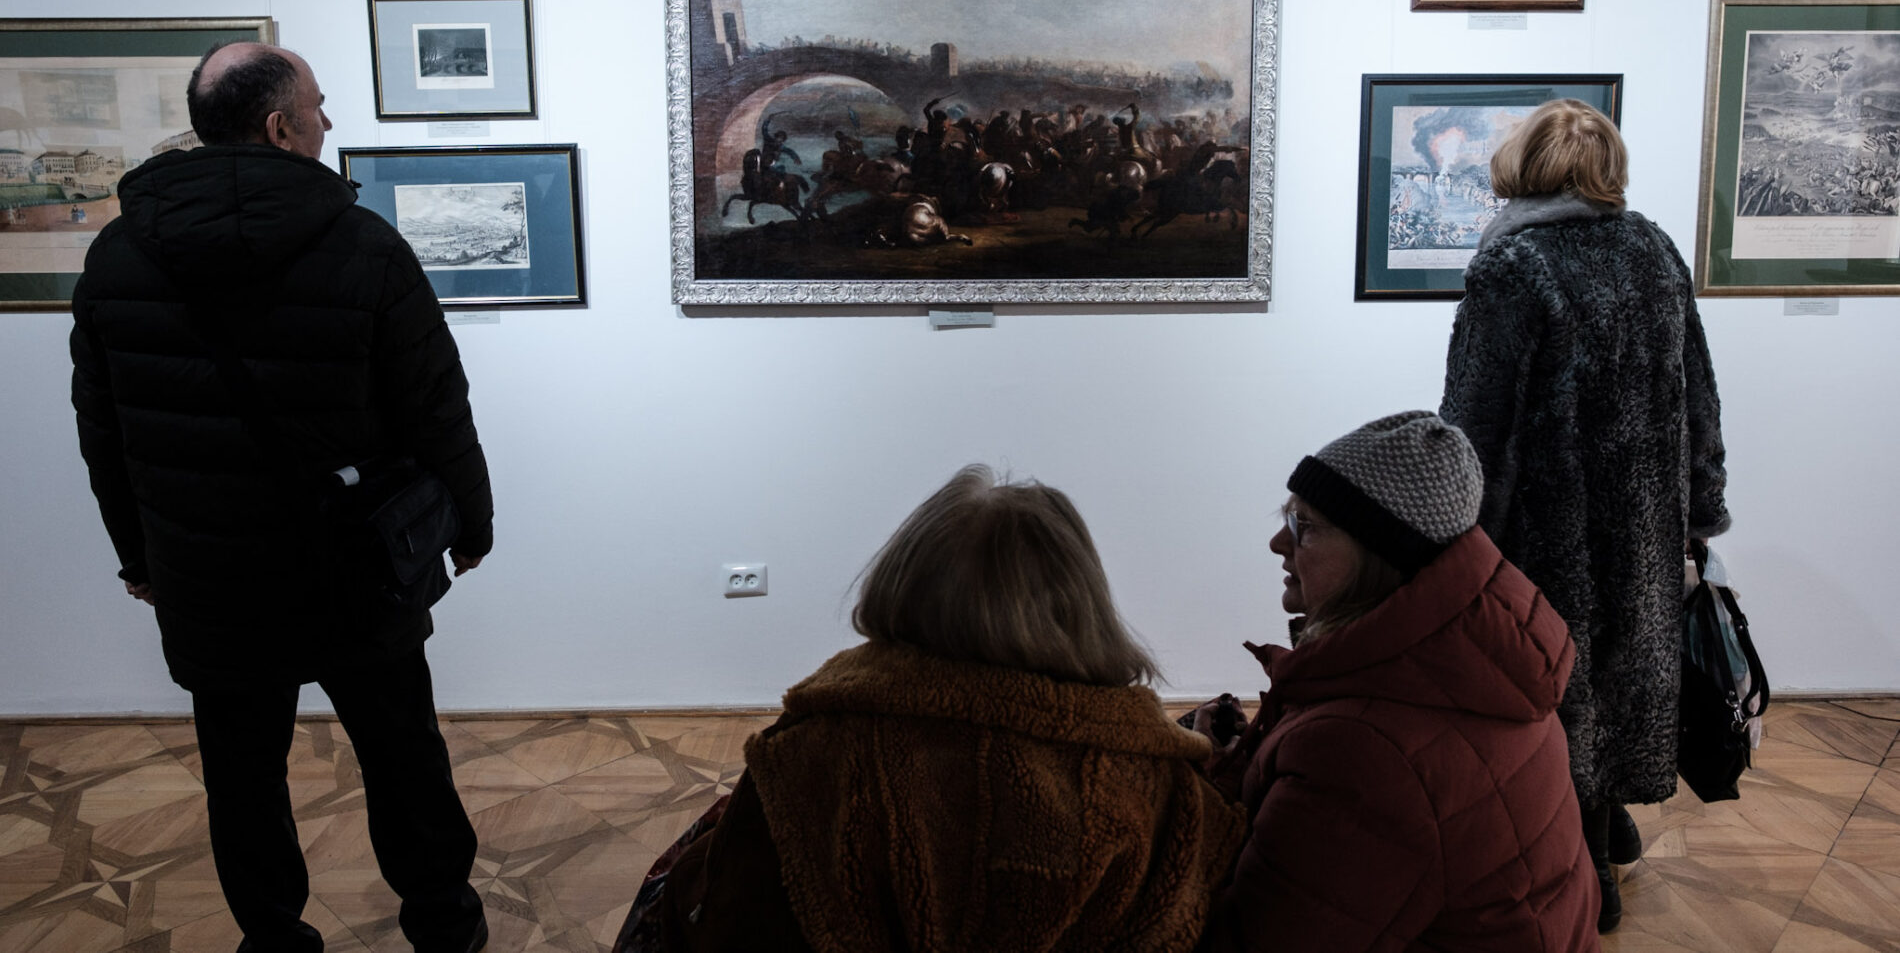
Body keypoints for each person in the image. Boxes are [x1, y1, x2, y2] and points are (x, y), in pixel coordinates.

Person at [70, 42, 494, 953]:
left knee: (242, 774)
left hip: (204, 568)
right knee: (403, 755)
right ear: (279, 127)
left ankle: (272, 939)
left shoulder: (117, 253)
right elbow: (435, 405)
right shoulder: (364, 244)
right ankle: (445, 928)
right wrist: (472, 523)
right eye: (319, 106)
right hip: (353, 557)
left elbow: (103, 433)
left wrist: (138, 557)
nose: (328, 122)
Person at [628, 464, 1244, 952]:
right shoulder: (1157, 790)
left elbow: (726, 920)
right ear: (1082, 605)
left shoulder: (805, 755)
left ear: (902, 580)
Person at [1439, 99, 1729, 932]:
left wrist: (1457, 525)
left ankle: (1584, 868)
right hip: (1645, 521)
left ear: (1523, 164)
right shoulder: (1654, 249)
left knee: (1551, 681)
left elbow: (1475, 413)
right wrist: (1700, 510)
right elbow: (1699, 393)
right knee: (1621, 677)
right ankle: (1610, 821)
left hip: (1547, 521)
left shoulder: (1512, 264)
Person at [1197, 411, 1599, 952]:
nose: (1277, 542)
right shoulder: (1484, 664)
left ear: (1379, 554)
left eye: (1305, 527)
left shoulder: (1362, 754)